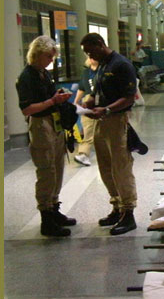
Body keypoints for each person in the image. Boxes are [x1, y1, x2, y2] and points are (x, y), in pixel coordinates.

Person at [16, 35, 75, 237]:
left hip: (53, 122)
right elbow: (27, 109)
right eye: (49, 57)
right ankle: (46, 217)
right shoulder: (27, 77)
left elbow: (48, 97)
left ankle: (54, 207)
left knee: (58, 166)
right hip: (40, 124)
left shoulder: (44, 73)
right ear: (38, 54)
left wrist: (58, 96)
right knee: (46, 169)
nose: (51, 61)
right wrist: (52, 101)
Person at [80, 33, 138, 235]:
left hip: (116, 121)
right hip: (101, 121)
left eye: (91, 51)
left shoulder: (121, 65)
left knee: (120, 167)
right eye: (87, 53)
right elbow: (99, 90)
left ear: (100, 44)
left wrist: (106, 109)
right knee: (105, 167)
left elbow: (129, 97)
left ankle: (128, 213)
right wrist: (91, 101)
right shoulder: (101, 65)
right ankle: (117, 207)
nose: (90, 55)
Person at [73, 57, 99, 167]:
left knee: (95, 129)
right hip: (88, 101)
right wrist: (76, 101)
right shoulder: (86, 72)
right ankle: (83, 154)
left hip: (101, 99)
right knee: (88, 127)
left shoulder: (103, 70)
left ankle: (84, 153)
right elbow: (82, 88)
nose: (91, 58)